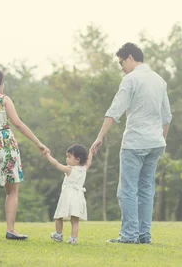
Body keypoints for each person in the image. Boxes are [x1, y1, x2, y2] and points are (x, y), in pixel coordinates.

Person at [90, 42, 172, 244]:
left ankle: (128, 236)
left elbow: (115, 109)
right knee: (146, 189)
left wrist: (100, 136)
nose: (122, 68)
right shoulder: (159, 80)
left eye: (121, 63)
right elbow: (167, 117)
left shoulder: (131, 79)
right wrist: (162, 140)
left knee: (127, 190)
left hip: (135, 143)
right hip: (155, 143)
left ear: (129, 58)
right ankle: (144, 235)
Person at [0, 68, 50, 240]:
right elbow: (18, 124)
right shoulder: (4, 100)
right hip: (6, 146)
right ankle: (10, 230)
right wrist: (38, 142)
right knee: (11, 191)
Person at [43, 144, 93, 245]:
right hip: (78, 197)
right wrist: (91, 152)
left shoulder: (70, 169)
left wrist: (47, 155)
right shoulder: (84, 169)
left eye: (69, 157)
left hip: (68, 197)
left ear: (77, 159)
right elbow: (89, 162)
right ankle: (73, 239)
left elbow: (56, 164)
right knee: (75, 221)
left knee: (59, 216)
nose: (67, 159)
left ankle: (58, 234)